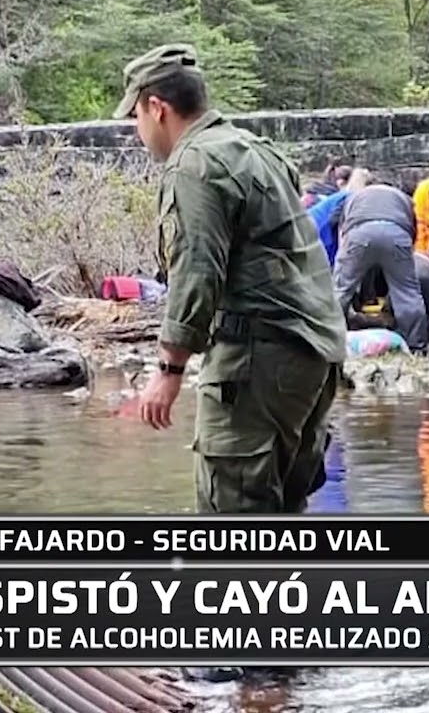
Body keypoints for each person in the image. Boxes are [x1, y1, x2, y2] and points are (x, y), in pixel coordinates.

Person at [118, 43, 347, 677]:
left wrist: (168, 370)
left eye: (136, 117)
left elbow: (197, 272)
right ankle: (290, 669)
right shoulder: (254, 150)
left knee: (233, 521)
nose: (138, 132)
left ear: (157, 108)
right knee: (282, 514)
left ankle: (252, 676)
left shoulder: (194, 166)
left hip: (258, 359)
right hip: (314, 355)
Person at [332, 178, 429, 354]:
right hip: (397, 233)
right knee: (407, 293)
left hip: (359, 233)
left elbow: (343, 233)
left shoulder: (355, 196)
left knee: (341, 290)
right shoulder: (403, 198)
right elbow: (412, 230)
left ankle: (331, 341)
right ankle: (416, 347)